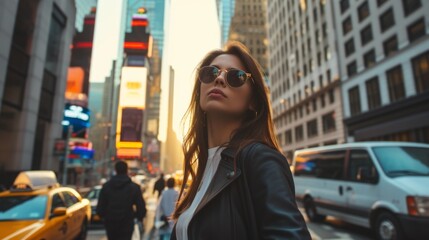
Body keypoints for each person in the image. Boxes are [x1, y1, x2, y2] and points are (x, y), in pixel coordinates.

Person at [171, 42, 311, 240]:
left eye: (235, 77)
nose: (219, 79)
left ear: (253, 100)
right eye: (211, 73)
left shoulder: (261, 160)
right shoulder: (205, 167)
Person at [96, 161, 147, 240]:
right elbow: (141, 208)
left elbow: (100, 208)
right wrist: (137, 217)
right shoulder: (134, 187)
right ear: (127, 170)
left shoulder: (106, 186)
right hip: (127, 224)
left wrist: (105, 218)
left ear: (115, 170)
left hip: (111, 223)